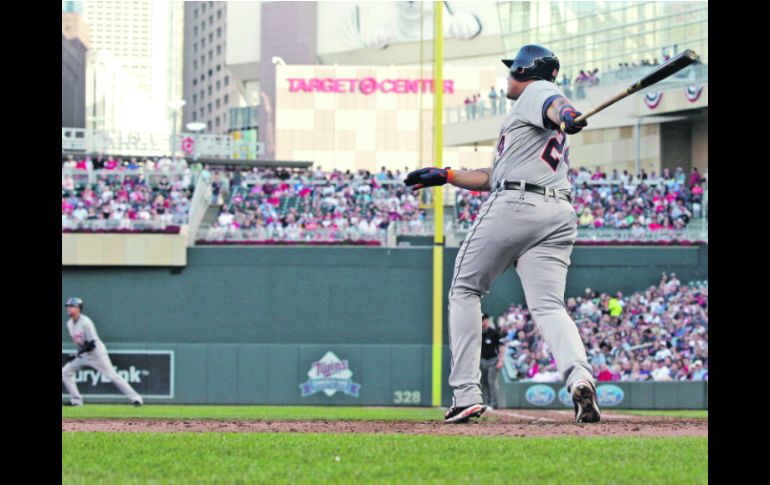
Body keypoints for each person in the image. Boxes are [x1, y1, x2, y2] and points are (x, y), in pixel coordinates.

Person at [404, 44, 600, 424]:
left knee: (464, 289)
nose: (508, 77)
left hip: (518, 205)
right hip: (557, 212)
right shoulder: (531, 116)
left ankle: (465, 394)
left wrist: (568, 114)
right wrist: (447, 176)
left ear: (527, 72)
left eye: (514, 71)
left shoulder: (536, 92)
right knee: (548, 306)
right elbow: (492, 177)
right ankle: (579, 377)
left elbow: (555, 104)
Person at [61, 297, 144, 407]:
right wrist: (78, 354)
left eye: (71, 306)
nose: (68, 308)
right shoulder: (69, 324)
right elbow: (80, 343)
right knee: (65, 372)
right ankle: (76, 401)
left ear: (78, 308)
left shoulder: (86, 322)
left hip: (97, 354)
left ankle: (136, 399)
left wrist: (77, 354)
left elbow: (92, 344)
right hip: (84, 354)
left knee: (113, 376)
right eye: (68, 306)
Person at [479, 314, 505, 410]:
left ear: (487, 321)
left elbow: (501, 347)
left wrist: (500, 361)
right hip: (482, 360)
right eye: (481, 320)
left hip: (493, 360)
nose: (482, 322)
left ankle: (494, 403)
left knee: (491, 381)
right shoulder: (479, 333)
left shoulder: (494, 333)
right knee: (483, 382)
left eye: (483, 320)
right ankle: (485, 403)